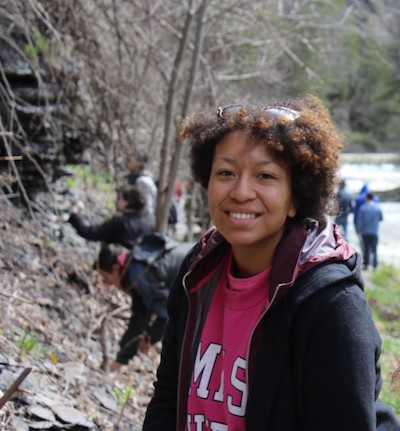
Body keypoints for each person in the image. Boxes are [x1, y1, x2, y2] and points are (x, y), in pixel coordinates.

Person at [143, 95, 400, 430]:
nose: (241, 191)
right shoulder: (197, 273)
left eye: (265, 176)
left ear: (296, 198)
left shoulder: (332, 306)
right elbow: (169, 395)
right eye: (226, 172)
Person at [97, 236, 194, 371]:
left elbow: (166, 313)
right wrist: (122, 358)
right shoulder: (135, 265)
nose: (108, 283)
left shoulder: (140, 274)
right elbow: (138, 319)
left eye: (106, 278)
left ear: (115, 268)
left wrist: (150, 337)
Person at [68, 184, 155, 249]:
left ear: (127, 202)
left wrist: (75, 213)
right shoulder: (151, 222)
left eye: (119, 198)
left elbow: (88, 232)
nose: (116, 201)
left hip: (116, 271)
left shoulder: (120, 222)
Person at [356, 192, 384, 270]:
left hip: (365, 231)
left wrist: (359, 230)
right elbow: (381, 218)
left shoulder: (362, 207)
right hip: (374, 231)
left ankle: (366, 264)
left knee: (366, 248)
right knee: (374, 249)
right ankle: (374, 265)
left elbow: (359, 221)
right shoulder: (378, 207)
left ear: (366, 198)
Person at [126, 151, 158, 217]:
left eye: (129, 160)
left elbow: (148, 208)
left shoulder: (143, 181)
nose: (126, 163)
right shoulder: (130, 178)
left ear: (139, 163)